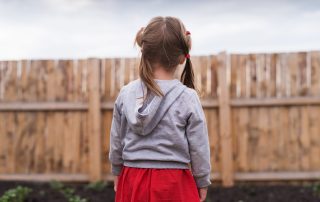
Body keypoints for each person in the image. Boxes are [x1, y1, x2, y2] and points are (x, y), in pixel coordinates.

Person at [108, 16, 212, 202]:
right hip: (174, 183)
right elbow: (199, 146)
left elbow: (116, 139)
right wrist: (201, 180)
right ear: (182, 57)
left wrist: (117, 169)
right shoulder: (187, 97)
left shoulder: (126, 93)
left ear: (144, 52)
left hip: (132, 179)